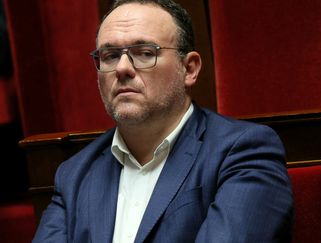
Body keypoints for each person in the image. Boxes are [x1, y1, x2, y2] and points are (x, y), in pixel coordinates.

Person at [32, 0, 294, 242]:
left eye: (145, 52)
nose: (122, 68)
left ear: (189, 69)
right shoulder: (75, 174)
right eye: (110, 56)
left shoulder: (244, 151)